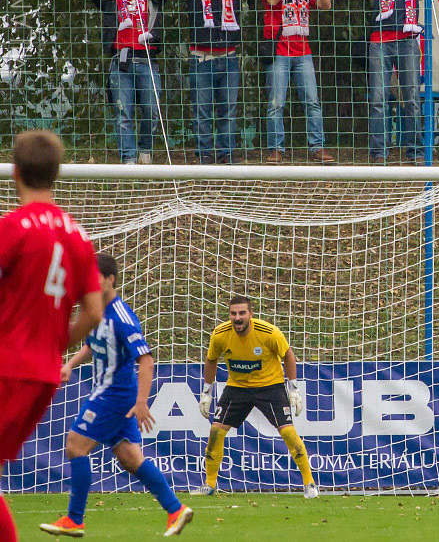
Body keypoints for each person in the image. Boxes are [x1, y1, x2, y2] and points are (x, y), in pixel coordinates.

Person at [40, 254, 194, 537]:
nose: (90, 283)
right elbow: (92, 344)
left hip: (114, 395)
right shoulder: (96, 311)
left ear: (110, 279)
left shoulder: (121, 317)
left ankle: (74, 519)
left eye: (95, 277)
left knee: (75, 445)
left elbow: (146, 359)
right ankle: (175, 509)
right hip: (110, 393)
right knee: (129, 457)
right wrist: (70, 365)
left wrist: (141, 402)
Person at [0, 130, 105, 541]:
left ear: (15, 172)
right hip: (43, 374)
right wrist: (54, 343)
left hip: (8, 366)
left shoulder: (14, 228)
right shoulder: (78, 235)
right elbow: (93, 312)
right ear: (56, 173)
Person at [189, 296, 317, 498]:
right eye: (233, 314)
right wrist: (207, 392)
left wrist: (293, 388)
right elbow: (211, 359)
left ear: (251, 314)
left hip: (270, 387)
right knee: (216, 431)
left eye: (242, 313)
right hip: (237, 387)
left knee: (288, 432)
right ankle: (209, 484)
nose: (237, 318)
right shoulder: (220, 334)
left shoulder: (269, 332)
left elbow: (288, 355)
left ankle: (309, 483)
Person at [84, 0, 175, 164]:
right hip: (121, 62)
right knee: (123, 112)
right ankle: (128, 158)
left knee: (151, 110)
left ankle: (145, 151)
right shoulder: (111, 2)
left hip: (147, 61)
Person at [178, 0, 252, 165]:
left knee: (228, 112)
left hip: (228, 59)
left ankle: (226, 154)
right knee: (202, 111)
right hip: (201, 60)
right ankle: (205, 155)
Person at [363, 0, 425, 163]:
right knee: (378, 99)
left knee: (411, 98)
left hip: (408, 42)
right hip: (380, 43)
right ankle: (379, 153)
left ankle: (415, 152)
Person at [261, 0, 333, 163]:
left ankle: (317, 147)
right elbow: (272, 0)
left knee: (312, 101)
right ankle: (276, 148)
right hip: (279, 51)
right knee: (276, 103)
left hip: (303, 52)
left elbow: (326, 6)